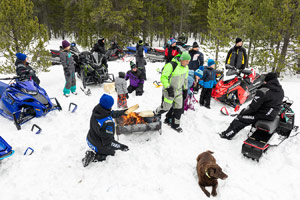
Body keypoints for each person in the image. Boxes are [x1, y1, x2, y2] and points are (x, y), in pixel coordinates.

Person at [219, 72, 284, 140]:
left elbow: (253, 107)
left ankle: (227, 135)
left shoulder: (263, 91)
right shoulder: (280, 90)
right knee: (248, 114)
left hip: (263, 115)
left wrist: (243, 112)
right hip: (272, 113)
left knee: (240, 118)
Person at [82, 94, 129, 167]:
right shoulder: (108, 124)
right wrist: (121, 146)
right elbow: (108, 143)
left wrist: (122, 112)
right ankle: (95, 156)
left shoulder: (98, 110)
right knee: (112, 152)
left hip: (90, 138)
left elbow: (110, 113)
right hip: (97, 145)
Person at [154, 52, 190, 132]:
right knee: (166, 107)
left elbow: (185, 79)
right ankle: (155, 113)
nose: (188, 63)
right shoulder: (171, 65)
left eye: (188, 61)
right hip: (169, 90)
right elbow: (163, 77)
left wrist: (185, 89)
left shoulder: (186, 67)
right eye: (186, 61)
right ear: (181, 60)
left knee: (179, 108)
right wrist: (168, 87)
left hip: (179, 91)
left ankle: (175, 125)